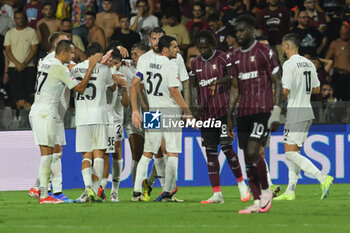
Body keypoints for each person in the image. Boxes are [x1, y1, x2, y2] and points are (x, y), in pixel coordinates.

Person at [29, 40, 99, 204]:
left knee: (48, 154)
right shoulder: (59, 67)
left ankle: (42, 191)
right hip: (47, 113)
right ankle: (44, 195)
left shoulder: (47, 63)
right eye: (72, 52)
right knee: (47, 155)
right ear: (64, 52)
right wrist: (90, 68)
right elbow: (80, 88)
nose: (73, 55)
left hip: (37, 111)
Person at [227, 14, 282, 214]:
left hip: (262, 111)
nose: (239, 34)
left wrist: (276, 112)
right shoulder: (234, 57)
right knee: (247, 158)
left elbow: (277, 81)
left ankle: (266, 191)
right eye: (237, 31)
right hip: (243, 113)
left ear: (252, 30)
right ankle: (258, 201)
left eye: (242, 30)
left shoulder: (263, 51)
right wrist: (229, 117)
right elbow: (235, 88)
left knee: (252, 152)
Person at [130, 35, 194, 202]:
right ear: (165, 50)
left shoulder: (147, 63)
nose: (178, 50)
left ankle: (136, 191)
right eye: (175, 47)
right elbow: (174, 90)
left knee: (147, 152)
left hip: (153, 111)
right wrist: (187, 112)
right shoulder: (170, 65)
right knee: (172, 152)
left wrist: (136, 109)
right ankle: (167, 192)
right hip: (170, 111)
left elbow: (135, 84)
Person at [189, 30, 250, 204]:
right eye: (200, 48)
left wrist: (217, 81)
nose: (203, 51)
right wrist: (194, 108)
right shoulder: (195, 64)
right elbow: (192, 86)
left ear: (213, 45)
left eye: (206, 47)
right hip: (206, 114)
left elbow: (234, 77)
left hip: (223, 112)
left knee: (226, 147)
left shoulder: (224, 57)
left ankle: (241, 185)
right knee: (210, 154)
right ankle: (217, 194)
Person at [273, 33, 334, 201]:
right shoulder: (309, 63)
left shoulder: (289, 65)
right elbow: (316, 90)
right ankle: (290, 191)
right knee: (295, 153)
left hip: (295, 111)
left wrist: (275, 95)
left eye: (282, 47)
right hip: (307, 110)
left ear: (286, 46)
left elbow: (284, 92)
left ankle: (322, 178)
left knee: (289, 154)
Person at [28, 32, 73, 202]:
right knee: (53, 152)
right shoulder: (53, 62)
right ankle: (52, 190)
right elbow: (76, 71)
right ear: (57, 47)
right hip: (50, 112)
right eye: (66, 43)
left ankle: (41, 186)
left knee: (55, 152)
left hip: (55, 111)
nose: (70, 48)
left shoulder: (49, 62)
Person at [72, 42, 116, 202]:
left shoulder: (76, 69)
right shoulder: (104, 70)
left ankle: (87, 189)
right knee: (99, 154)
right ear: (97, 54)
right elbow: (112, 87)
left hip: (81, 118)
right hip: (99, 116)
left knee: (86, 155)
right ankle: (95, 190)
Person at [99, 48, 129, 202]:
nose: (113, 65)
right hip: (101, 118)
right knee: (102, 153)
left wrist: (124, 89)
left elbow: (125, 104)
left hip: (116, 119)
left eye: (116, 63)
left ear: (120, 63)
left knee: (116, 151)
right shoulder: (101, 74)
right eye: (111, 62)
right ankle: (101, 188)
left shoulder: (123, 76)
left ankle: (115, 190)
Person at [124, 42, 149, 184]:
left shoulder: (152, 66)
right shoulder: (127, 67)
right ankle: (137, 189)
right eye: (131, 54)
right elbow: (109, 60)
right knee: (137, 154)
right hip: (135, 117)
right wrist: (118, 50)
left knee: (158, 153)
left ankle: (159, 186)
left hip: (152, 115)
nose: (133, 57)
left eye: (136, 54)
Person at [4, 11, 38, 109]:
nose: (20, 20)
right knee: (15, 96)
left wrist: (24, 63)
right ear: (14, 19)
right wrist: (17, 64)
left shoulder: (32, 31)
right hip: (13, 68)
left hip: (29, 68)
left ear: (25, 19)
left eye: (22, 18)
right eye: (18, 18)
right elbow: (7, 51)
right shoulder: (9, 33)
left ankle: (28, 121)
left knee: (29, 96)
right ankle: (16, 121)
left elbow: (34, 49)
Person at [257, 0, 292, 65]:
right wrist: (262, 43)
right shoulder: (263, 13)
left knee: (284, 64)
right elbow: (260, 29)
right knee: (271, 65)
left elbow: (290, 27)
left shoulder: (284, 10)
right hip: (268, 44)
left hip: (282, 44)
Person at [325, 24, 350, 101]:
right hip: (337, 76)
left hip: (348, 75)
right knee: (337, 98)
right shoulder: (334, 44)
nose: (344, 35)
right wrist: (327, 74)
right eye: (343, 33)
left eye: (346, 33)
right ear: (339, 32)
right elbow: (327, 60)